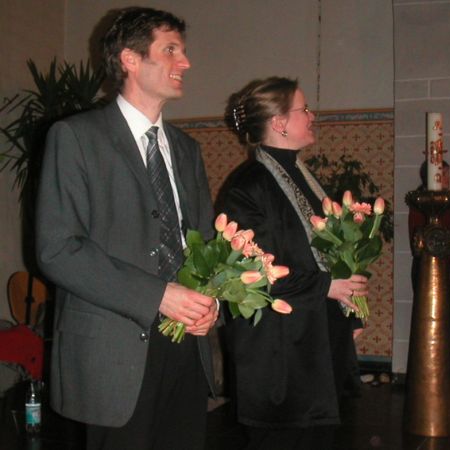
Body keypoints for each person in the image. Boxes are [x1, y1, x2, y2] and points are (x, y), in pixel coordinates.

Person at [35, 7, 218, 450]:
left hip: (187, 350)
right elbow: (58, 249)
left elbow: (205, 242)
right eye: (170, 50)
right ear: (130, 59)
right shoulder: (76, 137)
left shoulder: (187, 149)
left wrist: (212, 300)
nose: (185, 62)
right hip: (113, 353)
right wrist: (158, 296)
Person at [220, 77, 368, 450]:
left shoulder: (302, 176)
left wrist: (348, 310)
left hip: (317, 343)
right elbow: (252, 274)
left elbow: (327, 255)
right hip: (280, 355)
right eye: (304, 109)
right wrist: (329, 287)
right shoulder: (246, 187)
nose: (312, 115)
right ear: (280, 122)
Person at [408, 160, 450, 298]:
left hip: (445, 261)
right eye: (443, 174)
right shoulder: (420, 202)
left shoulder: (448, 202)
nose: (448, 178)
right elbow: (417, 236)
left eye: (448, 174)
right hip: (424, 262)